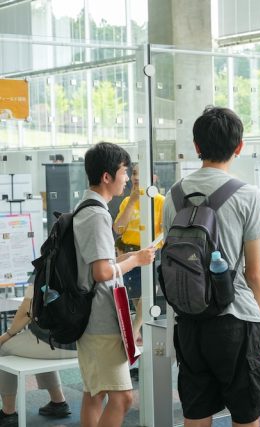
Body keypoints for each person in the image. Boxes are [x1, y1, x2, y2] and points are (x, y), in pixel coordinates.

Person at [163, 106, 260, 427]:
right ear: (239, 147)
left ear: (196, 146)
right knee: (246, 416)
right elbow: (254, 272)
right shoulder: (248, 195)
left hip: (189, 320)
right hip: (235, 320)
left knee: (196, 414)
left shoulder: (173, 195)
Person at [74, 142, 156, 427]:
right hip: (101, 320)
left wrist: (132, 256)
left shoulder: (85, 207)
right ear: (107, 176)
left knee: (94, 394)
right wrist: (135, 261)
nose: (127, 179)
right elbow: (101, 272)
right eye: (124, 172)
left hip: (90, 318)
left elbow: (98, 263)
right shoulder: (97, 214)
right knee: (122, 399)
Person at [0, 286, 76, 427]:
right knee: (38, 345)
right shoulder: (84, 273)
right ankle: (58, 402)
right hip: (83, 343)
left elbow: (27, 311)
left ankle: (8, 412)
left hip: (56, 343)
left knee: (3, 349)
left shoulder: (43, 272)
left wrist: (7, 335)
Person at [113, 163, 165, 342]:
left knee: (147, 294)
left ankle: (134, 330)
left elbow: (165, 231)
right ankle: (139, 332)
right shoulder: (127, 201)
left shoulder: (160, 201)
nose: (136, 177)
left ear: (154, 178)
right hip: (128, 255)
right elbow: (118, 229)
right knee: (136, 296)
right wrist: (132, 202)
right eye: (134, 173)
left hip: (149, 254)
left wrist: (153, 248)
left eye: (141, 173)